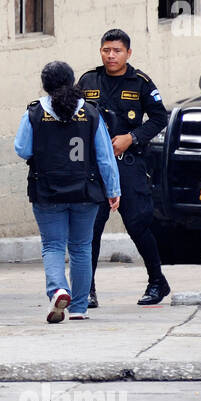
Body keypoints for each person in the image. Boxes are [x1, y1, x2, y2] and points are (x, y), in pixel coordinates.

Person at [15, 61, 120, 322]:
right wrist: (113, 188)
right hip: (86, 191)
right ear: (73, 82)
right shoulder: (91, 113)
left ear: (45, 85)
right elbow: (105, 157)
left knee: (52, 245)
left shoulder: (34, 113)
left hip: (47, 190)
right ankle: (80, 308)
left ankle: (58, 290)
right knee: (82, 247)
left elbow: (22, 149)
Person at [77, 28, 172, 307]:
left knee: (138, 225)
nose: (111, 55)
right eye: (106, 50)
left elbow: (158, 118)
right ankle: (87, 289)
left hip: (128, 165)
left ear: (128, 53)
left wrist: (132, 138)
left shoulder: (140, 82)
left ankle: (157, 282)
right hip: (95, 169)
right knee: (91, 228)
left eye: (117, 50)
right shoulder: (88, 80)